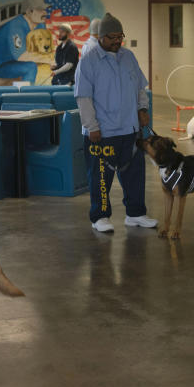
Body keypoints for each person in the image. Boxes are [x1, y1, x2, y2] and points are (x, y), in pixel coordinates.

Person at [74, 13, 157, 233]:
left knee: (134, 173)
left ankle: (136, 214)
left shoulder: (128, 57)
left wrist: (142, 109)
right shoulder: (88, 62)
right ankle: (100, 216)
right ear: (101, 37)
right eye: (112, 37)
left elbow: (140, 87)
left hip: (129, 129)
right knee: (101, 175)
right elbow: (84, 98)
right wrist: (92, 127)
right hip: (103, 132)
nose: (117, 41)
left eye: (120, 36)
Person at [0, 0, 48, 83]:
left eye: (45, 10)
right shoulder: (15, 26)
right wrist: (49, 59)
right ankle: (23, 95)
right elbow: (21, 56)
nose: (45, 13)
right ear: (29, 12)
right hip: (1, 64)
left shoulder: (41, 24)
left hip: (21, 60)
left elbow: (44, 48)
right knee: (30, 67)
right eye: (41, 10)